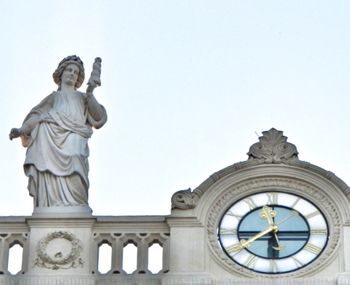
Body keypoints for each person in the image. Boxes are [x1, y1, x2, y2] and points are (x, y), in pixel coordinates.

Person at [9, 55, 107, 209]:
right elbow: (37, 116)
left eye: (75, 72)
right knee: (46, 169)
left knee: (76, 157)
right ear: (61, 74)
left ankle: (76, 207)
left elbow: (99, 117)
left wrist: (90, 93)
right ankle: (48, 206)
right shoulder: (54, 97)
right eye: (69, 70)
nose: (72, 73)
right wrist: (21, 130)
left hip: (75, 136)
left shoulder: (83, 98)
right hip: (49, 136)